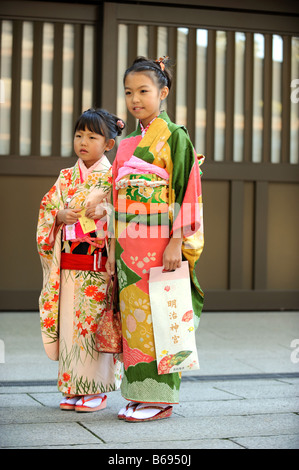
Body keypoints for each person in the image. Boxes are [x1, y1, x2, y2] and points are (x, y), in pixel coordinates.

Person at [106, 56, 204, 422]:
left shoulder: (176, 135)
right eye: (129, 92)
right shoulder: (128, 142)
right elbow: (116, 192)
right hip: (128, 244)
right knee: (133, 319)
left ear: (162, 93)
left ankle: (160, 397)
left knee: (162, 317)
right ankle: (137, 392)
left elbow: (187, 189)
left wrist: (177, 242)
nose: (135, 99)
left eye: (144, 91)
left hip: (161, 242)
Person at [37, 108, 125, 412]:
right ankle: (72, 387)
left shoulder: (113, 177)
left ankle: (96, 389)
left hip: (98, 266)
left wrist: (107, 213)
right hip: (68, 267)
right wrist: (58, 216)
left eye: (92, 136)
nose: (83, 142)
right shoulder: (65, 177)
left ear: (109, 145)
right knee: (70, 330)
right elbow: (48, 210)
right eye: (78, 135)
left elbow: (125, 214)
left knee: (92, 327)